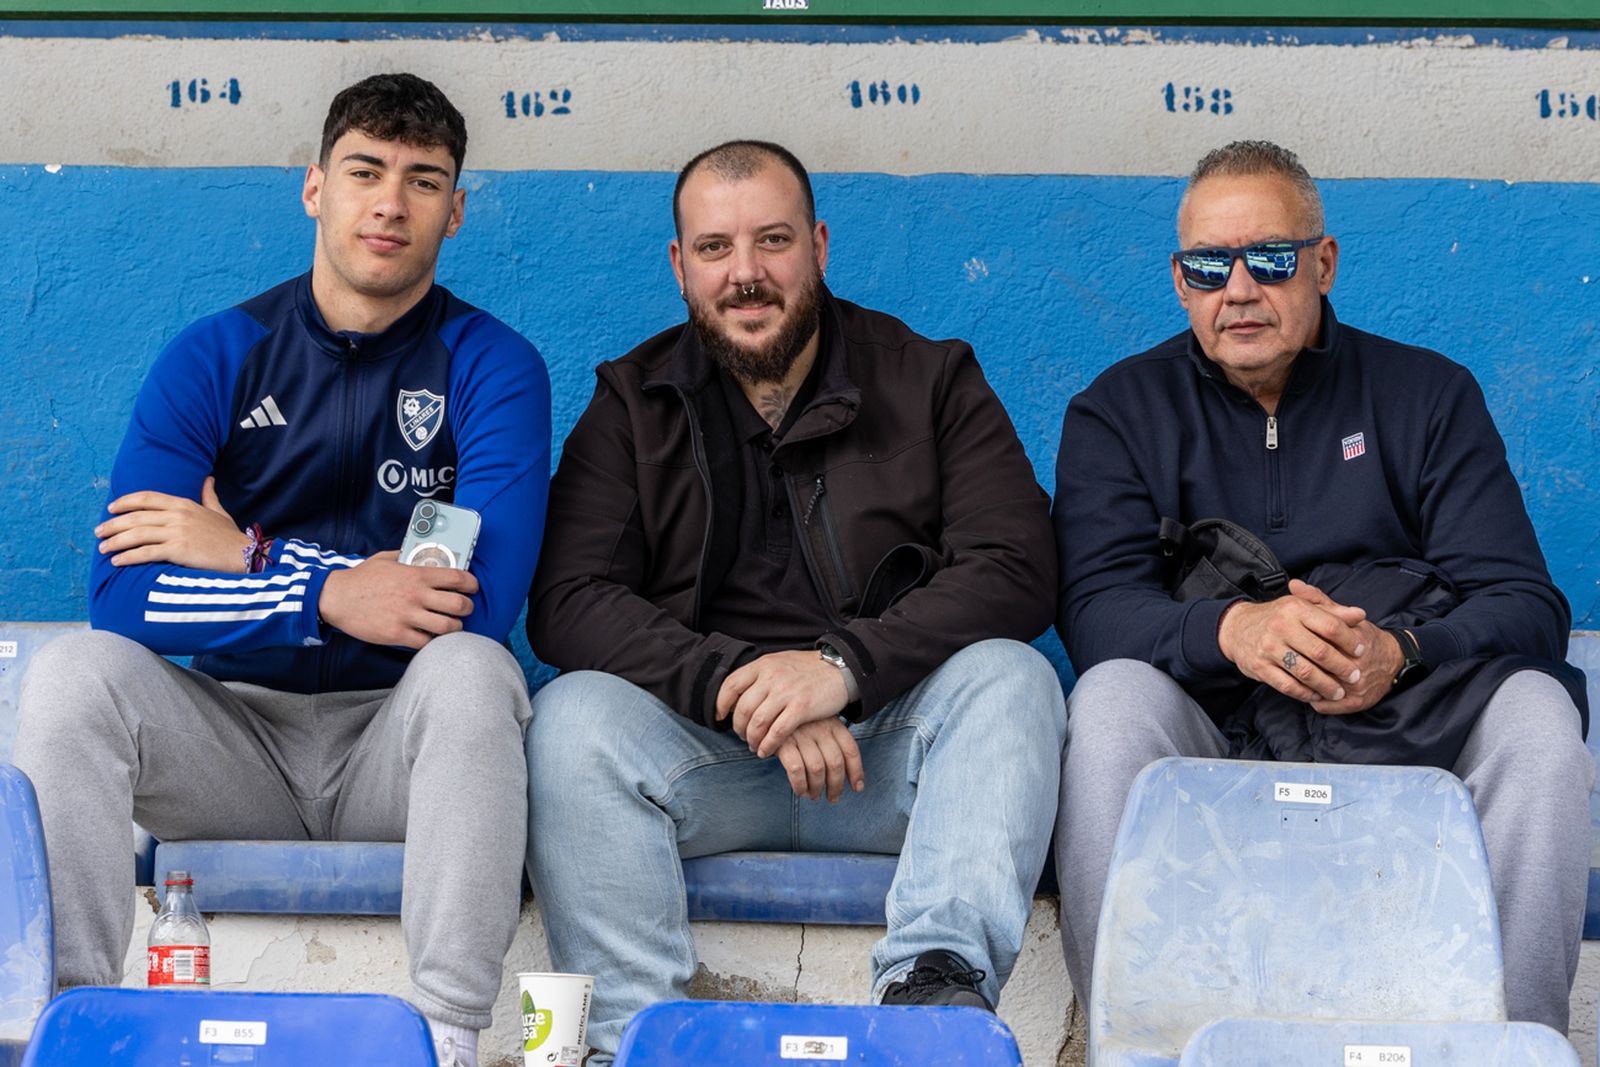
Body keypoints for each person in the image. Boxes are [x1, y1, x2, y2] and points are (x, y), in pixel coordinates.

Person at [14, 73, 550, 1067]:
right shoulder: (217, 356)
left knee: (479, 675)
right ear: (315, 187)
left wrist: (245, 551)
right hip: (232, 741)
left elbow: (466, 602)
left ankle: (445, 1034)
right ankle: (72, 1021)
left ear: (456, 209)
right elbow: (126, 596)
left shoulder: (489, 366)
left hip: (396, 744)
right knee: (73, 676)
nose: (390, 201)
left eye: (423, 180)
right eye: (365, 171)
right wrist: (317, 585)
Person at [524, 139, 1065, 1060]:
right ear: (680, 265)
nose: (745, 274)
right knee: (569, 717)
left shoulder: (930, 379)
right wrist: (740, 680)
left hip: (885, 752)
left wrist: (842, 670)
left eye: (772, 241)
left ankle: (932, 988)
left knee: (1014, 681)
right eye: (714, 248)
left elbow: (1018, 565)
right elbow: (568, 600)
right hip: (704, 759)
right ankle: (636, 1035)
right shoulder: (632, 400)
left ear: (817, 244)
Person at [1052, 139, 1591, 1031]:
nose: (1240, 289)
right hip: (1216, 732)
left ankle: (1516, 1043)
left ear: (1322, 263)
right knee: (1108, 702)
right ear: (1181, 282)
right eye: (1208, 266)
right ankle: (1131, 1044)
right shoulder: (1120, 410)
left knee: (1538, 714)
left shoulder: (1427, 395)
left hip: (1406, 728)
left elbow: (1528, 604)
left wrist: (1401, 651)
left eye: (1269, 257)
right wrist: (1234, 632)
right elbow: (1094, 611)